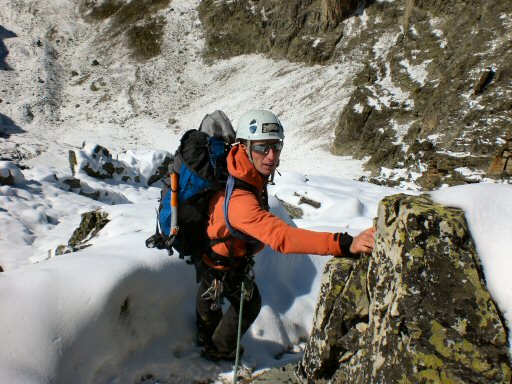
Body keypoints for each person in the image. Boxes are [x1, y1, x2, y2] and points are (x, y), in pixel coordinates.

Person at [195, 110, 376, 361]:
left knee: (213, 297)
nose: (271, 156)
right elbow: (283, 238)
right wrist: (346, 243)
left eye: (276, 146)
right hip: (220, 261)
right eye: (262, 148)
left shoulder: (241, 169)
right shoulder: (239, 200)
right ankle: (219, 349)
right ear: (244, 146)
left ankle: (206, 337)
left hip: (220, 253)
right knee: (247, 303)